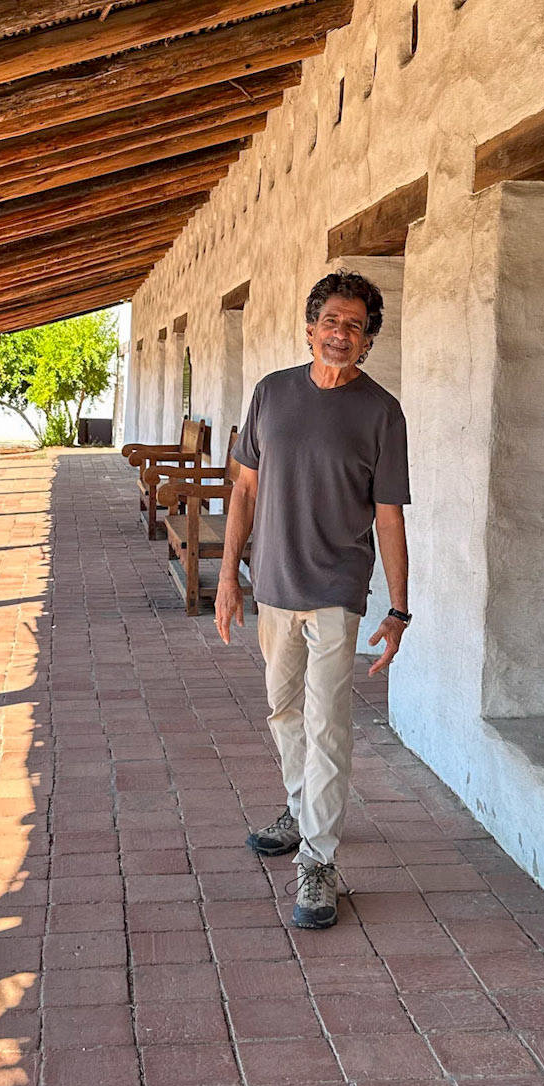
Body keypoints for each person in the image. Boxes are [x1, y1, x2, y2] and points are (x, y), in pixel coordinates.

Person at [215, 271, 411, 930]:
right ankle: (302, 812)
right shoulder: (272, 394)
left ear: (368, 339)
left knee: (327, 723)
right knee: (281, 710)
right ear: (309, 327)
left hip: (335, 589)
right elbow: (243, 491)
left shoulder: (380, 412)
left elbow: (388, 516)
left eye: (355, 325)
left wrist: (399, 608)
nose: (340, 334)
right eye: (331, 321)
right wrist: (227, 579)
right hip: (272, 584)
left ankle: (319, 862)